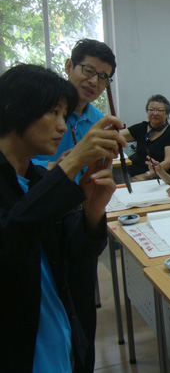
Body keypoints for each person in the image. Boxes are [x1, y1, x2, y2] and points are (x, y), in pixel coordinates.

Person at [0, 64, 126, 372]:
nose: (62, 126)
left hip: (61, 341)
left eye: (64, 114)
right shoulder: (43, 183)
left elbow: (76, 253)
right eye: (53, 112)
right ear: (13, 108)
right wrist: (70, 167)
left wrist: (93, 210)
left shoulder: (37, 179)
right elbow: (10, 242)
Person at [31, 38, 117, 373]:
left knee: (81, 310)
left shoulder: (99, 120)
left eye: (104, 77)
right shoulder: (42, 113)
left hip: (80, 219)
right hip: (37, 220)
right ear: (69, 67)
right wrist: (56, 170)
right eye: (88, 70)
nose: (94, 81)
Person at [121, 94, 170, 181]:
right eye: (151, 110)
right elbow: (117, 136)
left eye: (159, 110)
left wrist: (146, 176)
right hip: (134, 173)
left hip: (156, 178)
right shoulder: (142, 127)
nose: (154, 113)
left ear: (167, 114)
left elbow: (169, 162)